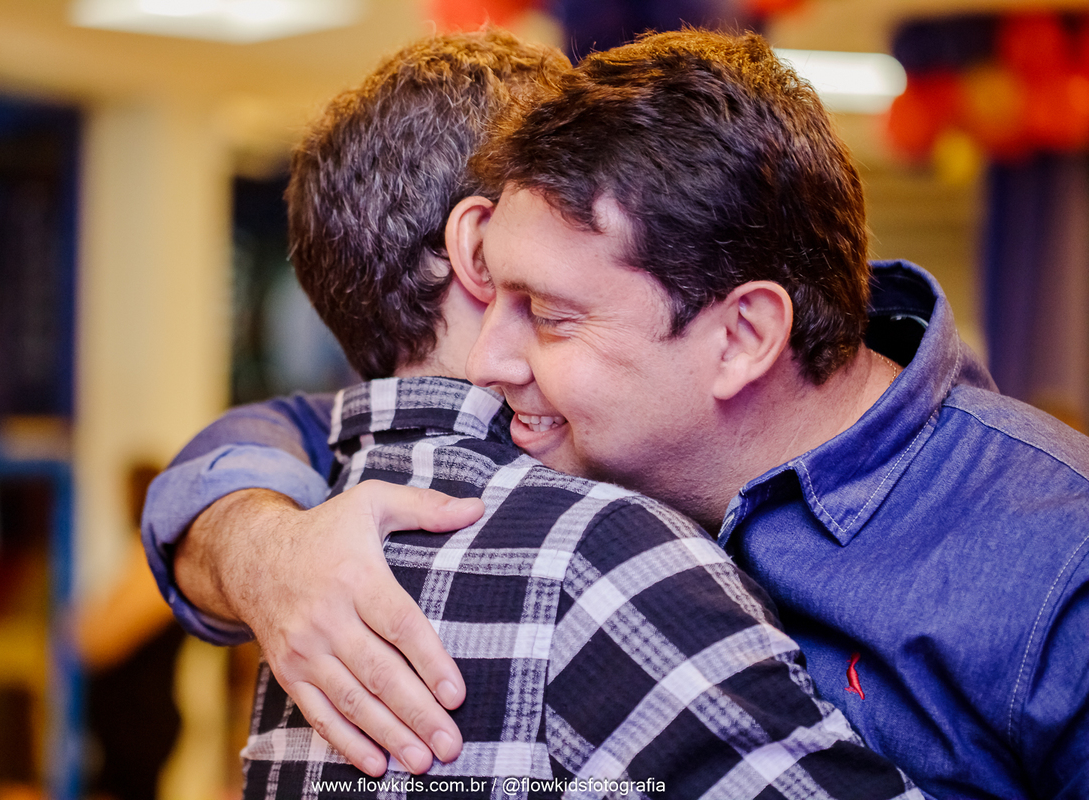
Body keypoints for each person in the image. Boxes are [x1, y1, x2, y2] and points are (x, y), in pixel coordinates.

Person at [144, 27, 1089, 800]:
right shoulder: (573, 431)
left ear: (743, 337)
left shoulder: (1052, 567)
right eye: (500, 295)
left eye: (550, 314)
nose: (489, 363)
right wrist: (260, 550)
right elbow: (305, 426)